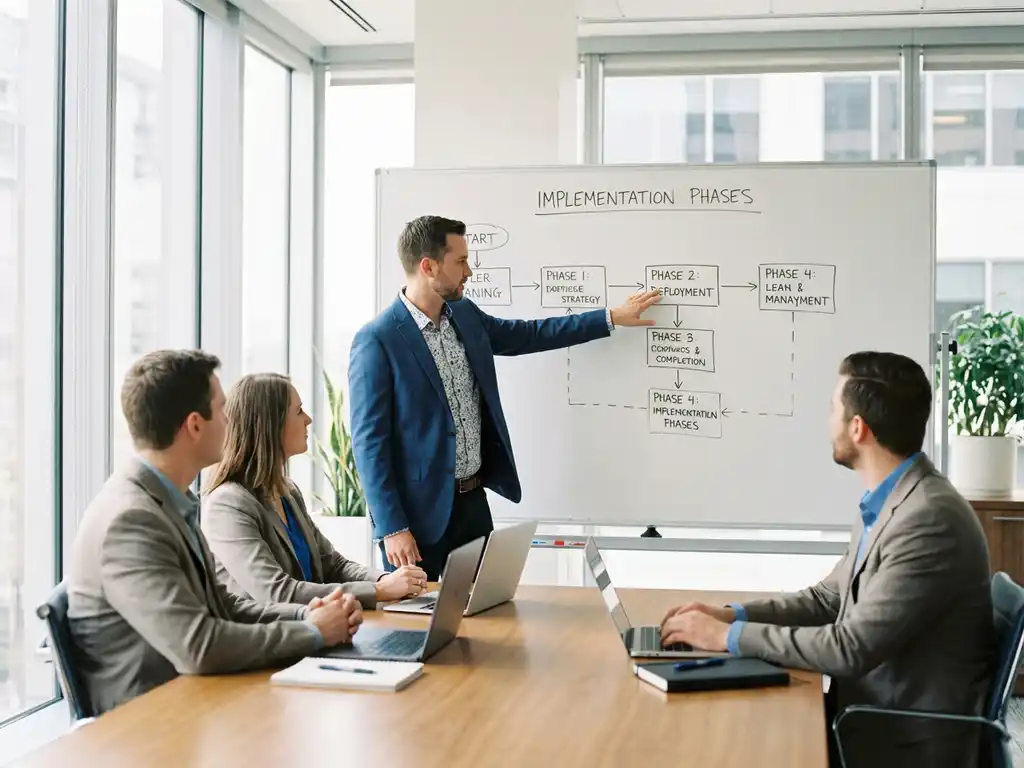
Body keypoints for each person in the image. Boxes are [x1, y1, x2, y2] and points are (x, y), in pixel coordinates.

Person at [659, 351, 994, 768]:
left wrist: (723, 638)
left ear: (858, 428)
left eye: (832, 409)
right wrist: (730, 616)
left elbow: (849, 648)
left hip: (901, 741)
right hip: (866, 712)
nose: (827, 422)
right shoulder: (891, 500)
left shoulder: (927, 519)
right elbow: (826, 600)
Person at [349, 214, 661, 580]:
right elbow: (369, 443)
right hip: (417, 522)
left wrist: (610, 317)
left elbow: (529, 335)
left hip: (473, 505)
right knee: (416, 631)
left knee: (486, 614)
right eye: (461, 261)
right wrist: (391, 527)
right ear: (428, 266)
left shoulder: (464, 315)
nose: (469, 272)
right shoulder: (377, 340)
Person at [67, 350, 362, 715]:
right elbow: (199, 646)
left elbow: (226, 607)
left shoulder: (170, 500)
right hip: (152, 725)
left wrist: (308, 616)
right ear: (194, 425)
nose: (232, 420)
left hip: (198, 702)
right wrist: (314, 632)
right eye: (222, 410)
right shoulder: (130, 520)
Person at [201, 372, 428, 609]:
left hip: (315, 627)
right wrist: (379, 591)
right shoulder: (227, 504)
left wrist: (386, 579)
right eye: (298, 411)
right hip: (268, 638)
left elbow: (333, 565)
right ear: (270, 425)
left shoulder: (288, 491)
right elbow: (277, 592)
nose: (308, 419)